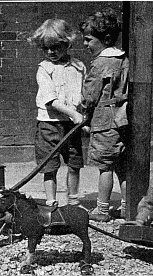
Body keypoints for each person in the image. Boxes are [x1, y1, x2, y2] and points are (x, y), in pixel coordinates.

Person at [28, 18, 86, 207]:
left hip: (72, 125)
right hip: (49, 124)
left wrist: (83, 115)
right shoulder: (44, 69)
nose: (51, 52)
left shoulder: (79, 67)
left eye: (55, 47)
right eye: (46, 48)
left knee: (74, 163)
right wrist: (75, 114)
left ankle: (73, 201)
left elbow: (84, 94)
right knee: (49, 166)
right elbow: (51, 101)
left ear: (67, 43)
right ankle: (51, 202)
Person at [79, 8, 129, 222]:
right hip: (122, 120)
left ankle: (102, 209)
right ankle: (128, 207)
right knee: (122, 166)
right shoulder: (123, 58)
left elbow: (90, 95)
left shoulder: (100, 63)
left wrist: (83, 112)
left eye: (88, 39)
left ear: (105, 39)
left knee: (105, 166)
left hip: (104, 122)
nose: (85, 44)